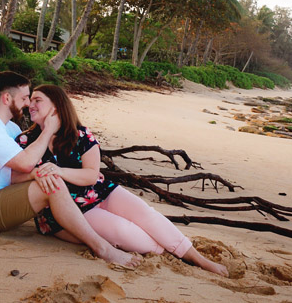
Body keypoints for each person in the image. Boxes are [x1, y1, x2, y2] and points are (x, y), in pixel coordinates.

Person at [17, 84, 228, 276]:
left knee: (147, 215)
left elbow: (91, 174)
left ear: (56, 106)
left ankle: (198, 259)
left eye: (38, 100)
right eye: (30, 100)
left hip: (99, 191)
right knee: (125, 231)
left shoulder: (80, 135)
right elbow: (15, 176)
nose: (31, 105)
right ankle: (167, 254)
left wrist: (59, 171)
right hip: (72, 211)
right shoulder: (25, 141)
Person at [0, 71, 138, 268]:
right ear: (7, 98)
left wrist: (80, 172)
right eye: (24, 98)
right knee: (52, 184)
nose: (27, 104)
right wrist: (48, 129)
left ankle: (91, 239)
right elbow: (25, 163)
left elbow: (20, 171)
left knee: (49, 180)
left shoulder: (10, 129)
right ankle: (103, 248)